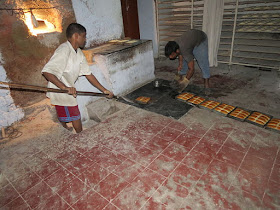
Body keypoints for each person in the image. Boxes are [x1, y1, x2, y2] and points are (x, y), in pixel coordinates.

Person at [42, 23, 113, 133]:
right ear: (76, 36)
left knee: (64, 111)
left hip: (67, 87)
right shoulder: (63, 50)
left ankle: (64, 128)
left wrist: (104, 90)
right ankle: (81, 135)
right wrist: (64, 87)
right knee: (75, 115)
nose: (85, 39)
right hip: (59, 89)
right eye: (84, 36)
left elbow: (88, 74)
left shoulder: (79, 53)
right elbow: (47, 72)